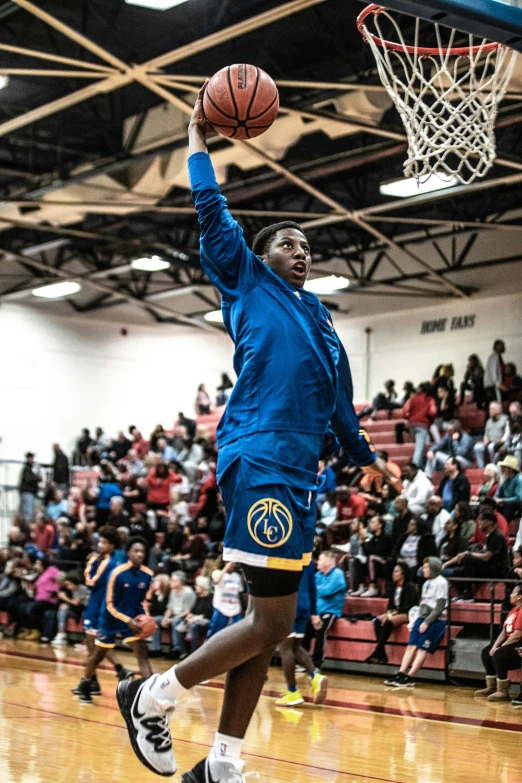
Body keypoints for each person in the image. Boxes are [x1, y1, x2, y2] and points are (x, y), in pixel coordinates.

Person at [116, 83, 395, 783]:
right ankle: (150, 695)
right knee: (272, 625)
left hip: (301, 477)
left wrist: (363, 459)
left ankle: (223, 762)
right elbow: (211, 207)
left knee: (274, 628)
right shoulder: (244, 280)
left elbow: (339, 405)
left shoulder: (324, 324)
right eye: (288, 244)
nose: (300, 252)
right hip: (261, 455)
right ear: (261, 256)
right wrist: (196, 137)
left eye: (306, 246)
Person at [76, 537, 153, 704]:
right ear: (128, 553)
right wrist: (126, 620)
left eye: (142, 552)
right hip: (110, 618)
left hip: (131, 619)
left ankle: (149, 695)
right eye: (136, 551)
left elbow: (142, 601)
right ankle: (85, 683)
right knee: (98, 655)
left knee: (142, 654)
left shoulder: (147, 575)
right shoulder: (116, 573)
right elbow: (109, 604)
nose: (140, 554)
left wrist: (145, 617)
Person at [72, 527, 133, 696]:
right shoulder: (111, 560)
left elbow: (90, 582)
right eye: (99, 541)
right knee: (97, 647)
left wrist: (90, 563)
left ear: (112, 545)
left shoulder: (107, 562)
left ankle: (98, 679)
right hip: (101, 605)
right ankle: (102, 678)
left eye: (104, 542)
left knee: (94, 648)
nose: (100, 545)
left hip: (98, 607)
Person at [385, 557, 448, 687]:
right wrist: (418, 619)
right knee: (411, 646)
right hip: (422, 617)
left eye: (426, 567)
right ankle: (401, 673)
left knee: (421, 649)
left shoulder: (441, 582)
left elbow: (440, 606)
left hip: (435, 620)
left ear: (433, 568)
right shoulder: (426, 583)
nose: (423, 570)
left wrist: (427, 622)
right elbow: (423, 604)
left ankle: (410, 677)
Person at [275, 561, 328, 706]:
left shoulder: (283, 554)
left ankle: (293, 692)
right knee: (295, 647)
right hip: (304, 604)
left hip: (288, 603)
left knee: (285, 649)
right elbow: (312, 586)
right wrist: (313, 612)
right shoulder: (308, 559)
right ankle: (315, 676)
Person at [443, 510, 509, 600]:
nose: (479, 523)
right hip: (489, 567)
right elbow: (483, 553)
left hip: (499, 570)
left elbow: (486, 557)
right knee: (458, 572)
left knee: (468, 560)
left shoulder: (497, 536)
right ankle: (461, 595)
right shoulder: (488, 536)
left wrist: (469, 554)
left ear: (490, 522)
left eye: (481, 520)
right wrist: (446, 564)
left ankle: (469, 594)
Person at [474, 582, 522, 702]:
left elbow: (517, 635)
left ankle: (503, 691)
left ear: (519, 596)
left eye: (513, 593)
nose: (510, 595)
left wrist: (500, 648)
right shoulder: (513, 610)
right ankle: (491, 687)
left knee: (500, 654)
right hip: (511, 642)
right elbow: (504, 632)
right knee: (486, 651)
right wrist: (495, 646)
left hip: (519, 644)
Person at [366, 563, 418, 665]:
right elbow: (390, 604)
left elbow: (409, 606)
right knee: (377, 620)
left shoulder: (410, 586)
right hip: (396, 612)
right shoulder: (393, 587)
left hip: (409, 613)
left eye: (396, 571)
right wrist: (389, 611)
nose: (393, 573)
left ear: (403, 574)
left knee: (388, 621)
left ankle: (377, 651)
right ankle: (381, 653)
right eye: (393, 571)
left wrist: (393, 613)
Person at [302, 551, 346, 671]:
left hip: (331, 611)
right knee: (304, 627)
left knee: (321, 629)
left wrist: (317, 590)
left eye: (320, 559)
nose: (317, 562)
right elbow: (310, 592)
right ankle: (303, 662)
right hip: (315, 612)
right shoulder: (318, 575)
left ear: (327, 561)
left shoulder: (338, 575)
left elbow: (326, 591)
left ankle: (316, 663)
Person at [399, 383, 437, 468]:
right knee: (419, 449)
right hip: (422, 425)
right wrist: (430, 420)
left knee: (420, 446)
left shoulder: (412, 398)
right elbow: (433, 412)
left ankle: (419, 465)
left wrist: (410, 418)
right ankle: (414, 467)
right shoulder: (429, 399)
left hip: (411, 425)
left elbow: (405, 412)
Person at [46, 573, 89, 646]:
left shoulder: (82, 589)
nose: (67, 586)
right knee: (62, 608)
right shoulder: (72, 590)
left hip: (86, 608)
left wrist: (64, 598)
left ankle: (87, 641)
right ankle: (61, 634)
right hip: (78, 609)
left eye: (68, 584)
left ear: (74, 583)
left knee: (85, 615)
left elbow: (76, 603)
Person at [161, 571, 197, 659]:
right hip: (174, 615)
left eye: (172, 580)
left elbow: (188, 611)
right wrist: (165, 618)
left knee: (176, 622)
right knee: (157, 620)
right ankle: (156, 648)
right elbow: (170, 608)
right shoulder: (173, 592)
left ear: (179, 582)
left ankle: (177, 649)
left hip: (185, 617)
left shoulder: (188, 593)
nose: (170, 582)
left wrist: (172, 619)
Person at [206, 561, 244, 639]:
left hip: (235, 609)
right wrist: (226, 568)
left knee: (238, 635)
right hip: (220, 608)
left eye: (233, 563)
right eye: (229, 562)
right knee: (214, 635)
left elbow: (240, 592)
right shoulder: (217, 573)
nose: (231, 564)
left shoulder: (236, 576)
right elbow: (216, 581)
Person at [359, 515, 393, 597]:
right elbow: (367, 552)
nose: (370, 524)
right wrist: (363, 542)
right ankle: (361, 586)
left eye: (373, 522)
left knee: (371, 558)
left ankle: (372, 587)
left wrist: (366, 538)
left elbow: (376, 552)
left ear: (380, 525)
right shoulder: (374, 538)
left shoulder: (386, 538)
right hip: (375, 563)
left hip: (386, 563)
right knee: (357, 560)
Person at [181, 576, 214, 658]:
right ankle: (183, 651)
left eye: (197, 585)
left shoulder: (210, 598)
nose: (195, 587)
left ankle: (194, 654)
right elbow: (192, 611)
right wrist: (189, 617)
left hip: (206, 621)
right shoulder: (198, 597)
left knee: (193, 626)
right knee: (179, 624)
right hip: (195, 619)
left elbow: (207, 614)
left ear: (203, 587)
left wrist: (193, 619)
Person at [474, 401, 510, 468]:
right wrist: (485, 439)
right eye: (489, 409)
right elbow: (486, 434)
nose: (489, 411)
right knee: (477, 447)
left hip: (499, 443)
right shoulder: (489, 421)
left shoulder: (505, 419)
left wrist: (503, 445)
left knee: (491, 447)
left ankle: (493, 466)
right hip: (489, 442)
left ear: (498, 410)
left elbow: (507, 435)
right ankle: (481, 467)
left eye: (491, 409)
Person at [147, 574, 171, 657]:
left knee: (155, 620)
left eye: (156, 582)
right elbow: (153, 610)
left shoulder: (169, 594)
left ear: (162, 583)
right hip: (157, 616)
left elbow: (165, 609)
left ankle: (156, 649)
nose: (153, 583)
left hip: (167, 616)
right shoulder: (155, 594)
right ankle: (154, 648)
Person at [495, 455, 522, 520]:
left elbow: (519, 498)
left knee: (508, 504)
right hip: (505, 503)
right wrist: (495, 500)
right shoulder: (503, 478)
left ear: (511, 469)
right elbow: (497, 495)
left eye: (504, 467)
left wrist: (503, 500)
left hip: (516, 505)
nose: (502, 469)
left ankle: (505, 526)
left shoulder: (519, 479)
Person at [19, 452, 39, 524]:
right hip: (28, 492)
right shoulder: (27, 469)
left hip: (27, 492)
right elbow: (29, 479)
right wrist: (38, 478)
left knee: (26, 512)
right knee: (28, 513)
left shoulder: (29, 468)